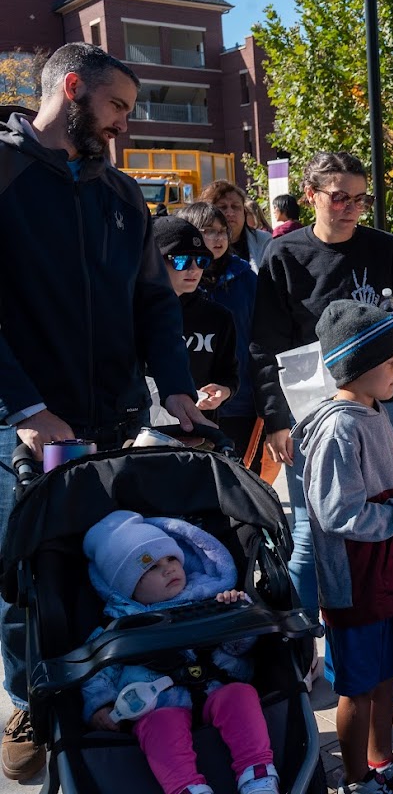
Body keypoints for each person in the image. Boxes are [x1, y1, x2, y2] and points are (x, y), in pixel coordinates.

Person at [0, 42, 209, 780]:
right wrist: (24, 405)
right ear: (72, 88)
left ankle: (110, 699)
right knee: (28, 578)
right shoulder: (4, 171)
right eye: (116, 106)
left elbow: (154, 301)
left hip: (113, 422)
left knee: (112, 570)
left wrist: (174, 387)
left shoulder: (123, 195)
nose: (123, 124)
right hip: (28, 429)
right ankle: (28, 698)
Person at [250, 150, 393, 616]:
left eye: (358, 199)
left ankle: (372, 627)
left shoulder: (386, 249)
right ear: (311, 196)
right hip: (310, 415)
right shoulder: (285, 253)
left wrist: (382, 345)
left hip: (378, 408)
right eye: (338, 198)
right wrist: (275, 418)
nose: (350, 208)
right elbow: (263, 345)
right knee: (314, 530)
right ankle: (296, 642)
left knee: (380, 517)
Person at [294, 300, 393, 794]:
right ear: (358, 367)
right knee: (358, 688)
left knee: (386, 678)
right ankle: (356, 780)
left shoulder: (373, 410)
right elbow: (340, 514)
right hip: (356, 582)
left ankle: (381, 762)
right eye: (391, 362)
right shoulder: (339, 428)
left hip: (389, 574)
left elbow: (391, 471)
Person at [80, 510, 278, 794]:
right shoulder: (118, 626)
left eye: (171, 558)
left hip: (216, 686)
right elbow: (96, 670)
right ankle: (186, 788)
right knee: (159, 726)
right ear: (127, 587)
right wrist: (101, 704)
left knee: (241, 695)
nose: (169, 568)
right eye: (150, 567)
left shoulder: (210, 597)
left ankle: (257, 775)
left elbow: (238, 649)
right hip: (159, 705)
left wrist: (236, 614)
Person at [178, 202, 264, 470]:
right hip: (182, 406)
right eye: (208, 231)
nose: (217, 238)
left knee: (241, 482)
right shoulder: (175, 284)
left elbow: (261, 338)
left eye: (222, 231)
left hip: (239, 400)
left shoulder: (246, 278)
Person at [152, 216, 238, 419]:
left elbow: (229, 375)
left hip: (197, 431)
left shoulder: (218, 317)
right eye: (181, 261)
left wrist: (223, 391)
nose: (193, 269)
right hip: (141, 433)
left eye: (201, 261)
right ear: (153, 261)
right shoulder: (131, 315)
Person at [201, 181, 271, 269]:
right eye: (223, 207)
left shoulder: (264, 241)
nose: (230, 213)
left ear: (244, 212)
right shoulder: (197, 243)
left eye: (235, 207)